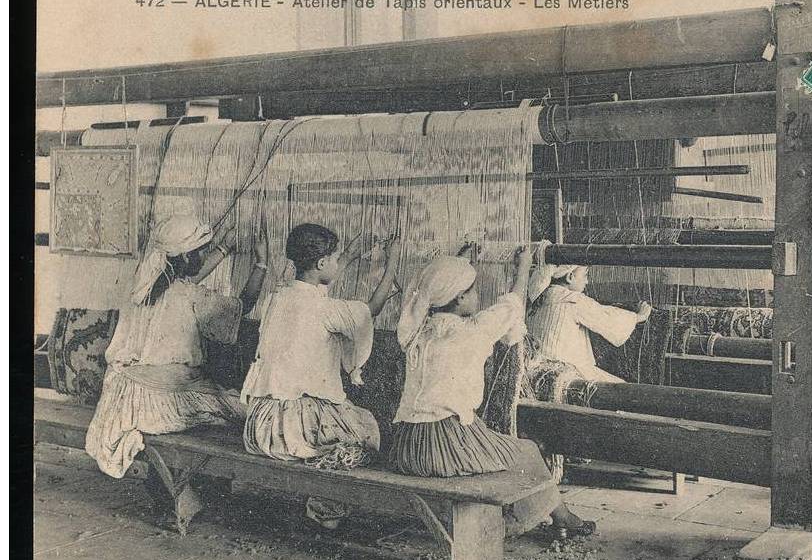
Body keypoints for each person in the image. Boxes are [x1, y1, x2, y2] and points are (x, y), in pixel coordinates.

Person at [390, 246, 595, 539]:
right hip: (442, 446)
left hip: (408, 446)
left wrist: (464, 262)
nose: (478, 297)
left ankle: (549, 517)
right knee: (527, 452)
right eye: (473, 291)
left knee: (504, 448)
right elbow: (513, 304)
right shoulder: (471, 330)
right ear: (459, 297)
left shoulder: (416, 332)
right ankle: (549, 519)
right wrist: (524, 266)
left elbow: (472, 303)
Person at [85, 213, 267, 478]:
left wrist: (223, 249)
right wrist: (262, 264)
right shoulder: (188, 295)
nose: (205, 257)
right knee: (246, 412)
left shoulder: (142, 285)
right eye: (202, 252)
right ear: (183, 257)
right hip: (156, 403)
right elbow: (243, 306)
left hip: (119, 398)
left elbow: (186, 278)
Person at [240, 224, 400, 527]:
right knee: (364, 431)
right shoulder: (325, 309)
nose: (338, 264)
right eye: (336, 259)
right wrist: (393, 262)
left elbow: (315, 290)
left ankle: (323, 504)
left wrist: (350, 254)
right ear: (322, 263)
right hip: (290, 429)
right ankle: (327, 509)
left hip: (261, 424)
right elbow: (371, 310)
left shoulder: (279, 295)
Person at [526, 263, 652, 383]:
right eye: (585, 275)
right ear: (570, 277)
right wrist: (638, 317)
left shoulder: (537, 301)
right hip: (564, 371)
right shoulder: (574, 300)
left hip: (537, 371)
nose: (587, 281)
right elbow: (606, 318)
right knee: (623, 390)